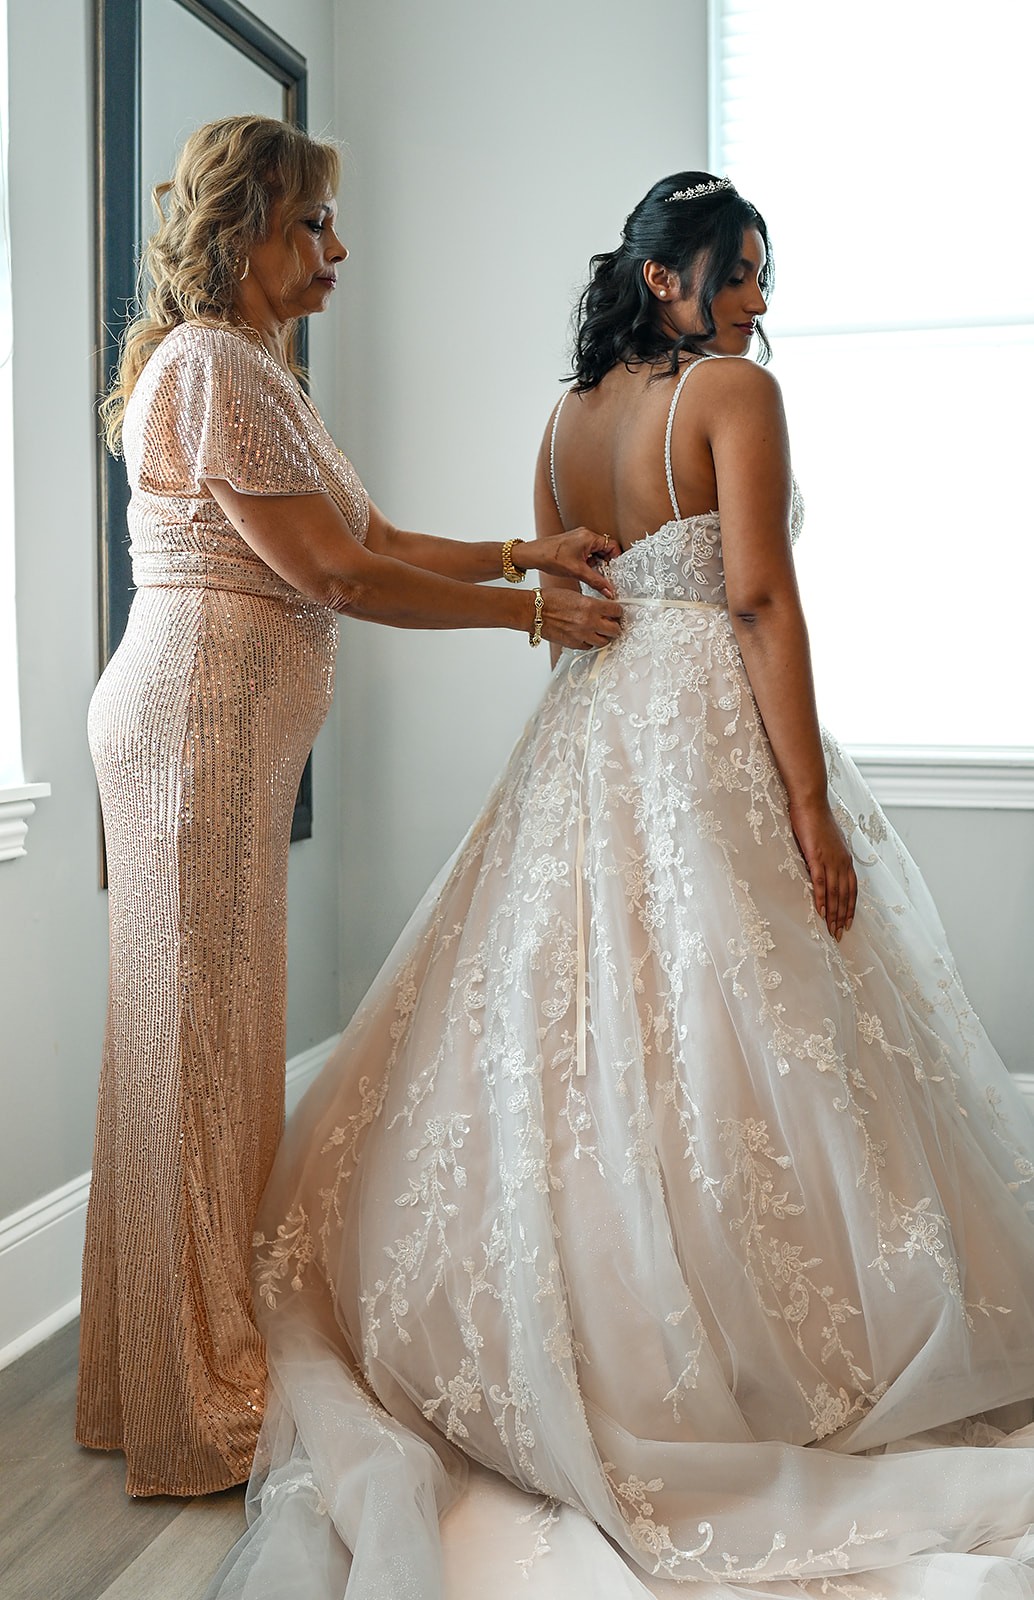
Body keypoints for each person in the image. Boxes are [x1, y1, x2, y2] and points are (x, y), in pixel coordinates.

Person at [208, 174, 1034, 1598]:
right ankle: (748, 1341)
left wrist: (622, 647)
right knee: (746, 1026)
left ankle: (606, 1312)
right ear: (662, 278)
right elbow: (760, 599)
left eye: (765, 275)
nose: (758, 300)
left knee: (589, 1037)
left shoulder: (563, 418)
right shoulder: (732, 397)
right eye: (738, 272)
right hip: (706, 721)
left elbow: (565, 609)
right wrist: (806, 804)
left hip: (592, 730)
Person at [75, 113, 623, 1500]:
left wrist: (516, 547)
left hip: (222, 740)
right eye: (312, 223)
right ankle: (193, 1402)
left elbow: (369, 538)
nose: (337, 248)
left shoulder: (255, 368)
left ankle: (144, 1377)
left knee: (193, 1050)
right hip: (195, 738)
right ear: (247, 228)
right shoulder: (210, 366)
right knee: (194, 1058)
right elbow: (336, 579)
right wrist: (529, 612)